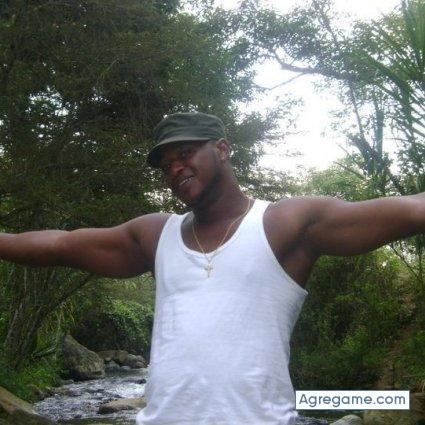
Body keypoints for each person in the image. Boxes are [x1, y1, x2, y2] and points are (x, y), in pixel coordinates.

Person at [0, 111, 423, 425]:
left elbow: (404, 210)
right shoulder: (155, 235)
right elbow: (61, 244)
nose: (175, 168)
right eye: (166, 164)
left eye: (185, 153)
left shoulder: (283, 224)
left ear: (221, 149)